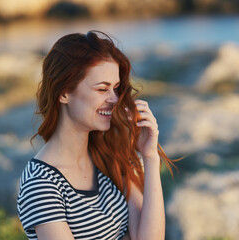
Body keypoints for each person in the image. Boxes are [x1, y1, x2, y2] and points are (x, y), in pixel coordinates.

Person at [17, 30, 177, 240]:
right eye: (102, 89)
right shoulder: (41, 183)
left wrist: (150, 156)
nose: (115, 99)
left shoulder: (110, 156)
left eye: (116, 88)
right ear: (64, 92)